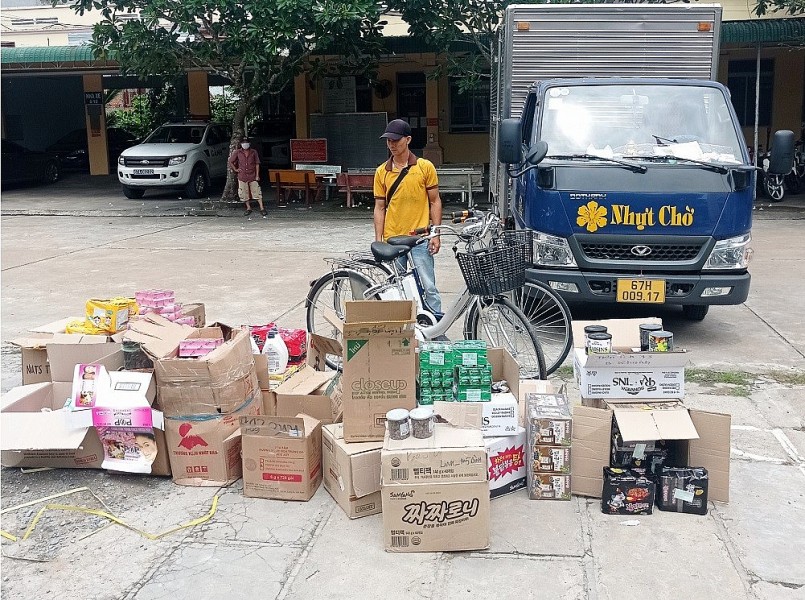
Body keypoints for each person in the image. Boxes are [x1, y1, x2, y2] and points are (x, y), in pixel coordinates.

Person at [373, 119, 443, 314]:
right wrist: (378, 241)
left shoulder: (424, 167)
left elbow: (435, 201)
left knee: (428, 286)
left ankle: (435, 324)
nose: (392, 145)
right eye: (389, 141)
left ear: (408, 139)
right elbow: (380, 208)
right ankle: (406, 327)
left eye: (396, 140)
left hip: (420, 237)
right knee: (397, 287)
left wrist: (436, 233)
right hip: (393, 239)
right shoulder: (381, 172)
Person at [228, 136, 266, 218]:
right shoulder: (238, 152)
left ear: (249, 143)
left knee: (257, 191)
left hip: (252, 175)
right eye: (243, 143)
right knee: (243, 193)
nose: (245, 144)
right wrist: (235, 169)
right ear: (241, 144)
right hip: (242, 175)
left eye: (246, 142)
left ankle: (262, 208)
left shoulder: (253, 152)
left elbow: (257, 164)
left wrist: (257, 175)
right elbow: (230, 161)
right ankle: (248, 208)